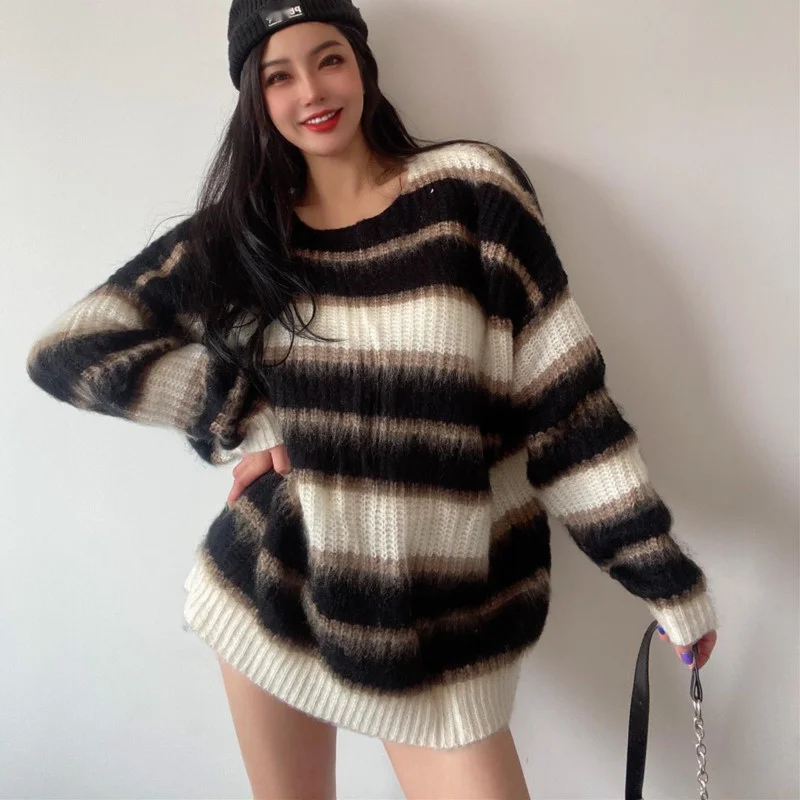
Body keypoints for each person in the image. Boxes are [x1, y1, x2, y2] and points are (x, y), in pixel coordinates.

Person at [25, 1, 720, 798]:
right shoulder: (247, 238)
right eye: (278, 76)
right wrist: (249, 416)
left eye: (329, 58)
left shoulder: (472, 195)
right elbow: (70, 351)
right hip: (270, 596)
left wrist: (664, 579)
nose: (311, 91)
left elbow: (566, 414)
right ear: (255, 98)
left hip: (448, 638)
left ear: (361, 63)